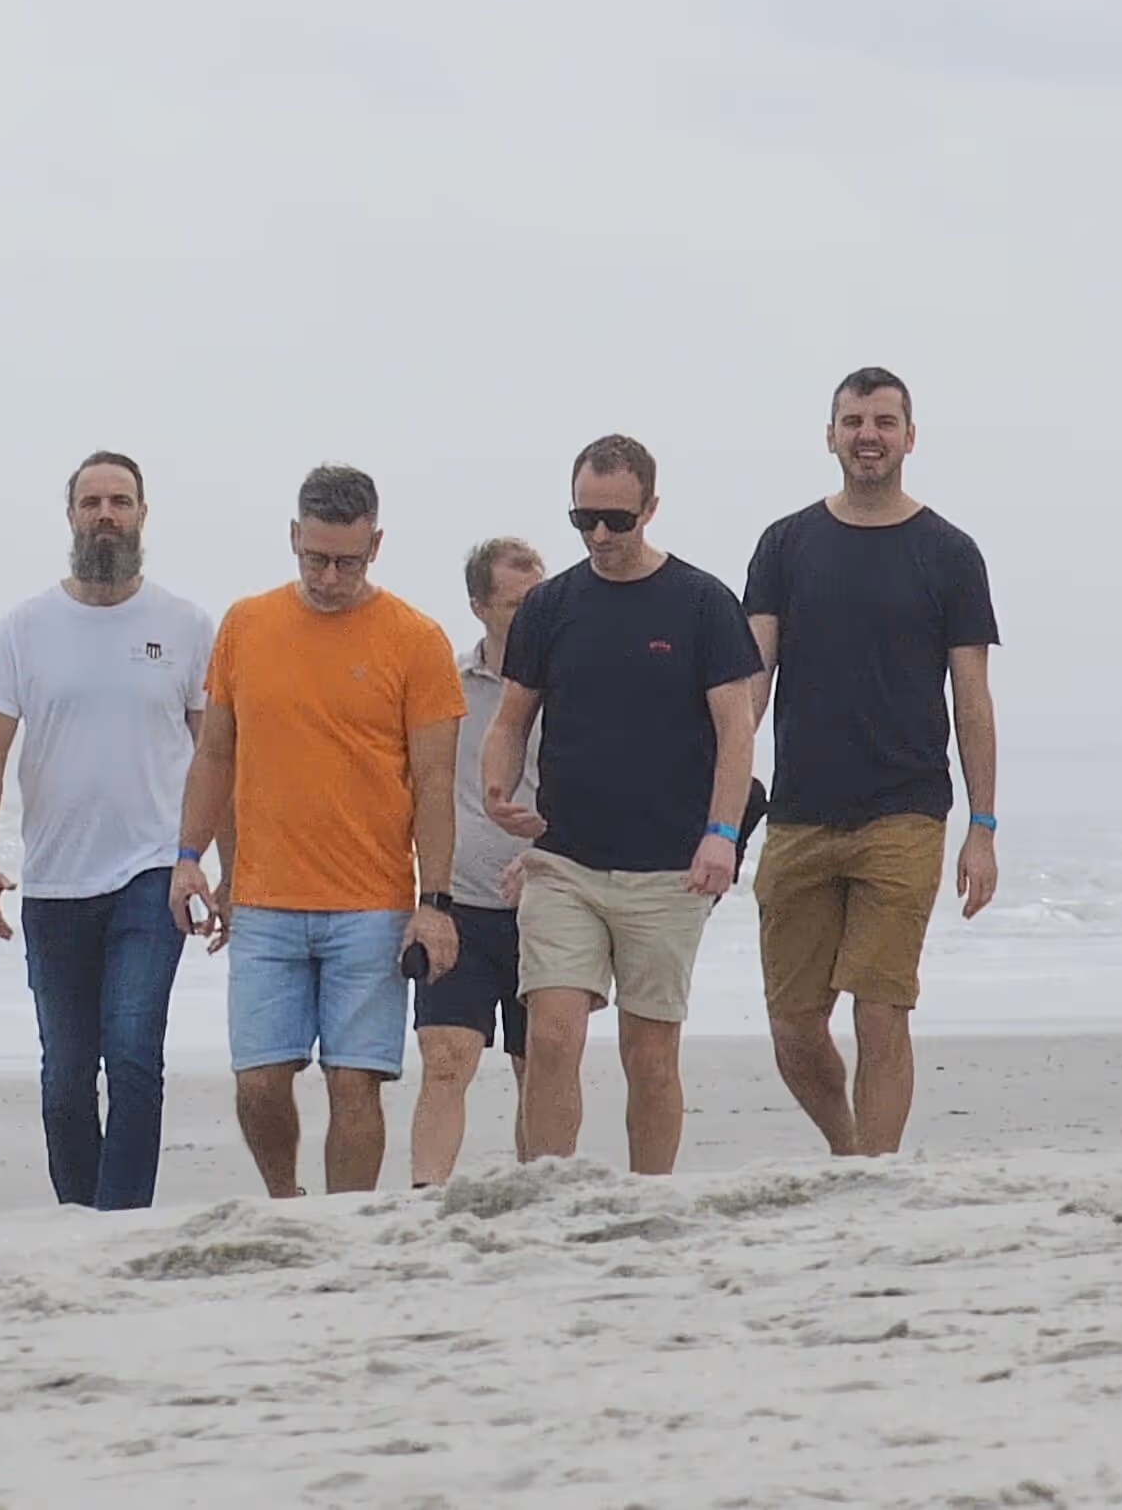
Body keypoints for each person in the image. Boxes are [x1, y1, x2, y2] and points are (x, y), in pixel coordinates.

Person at [173, 464, 461, 1200]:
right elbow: (216, 753)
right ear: (294, 537)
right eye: (316, 559)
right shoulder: (246, 623)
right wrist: (188, 859)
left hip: (372, 902)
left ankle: (348, 1225)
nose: (330, 577)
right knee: (259, 1081)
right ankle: (286, 1203)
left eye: (348, 562)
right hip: (266, 900)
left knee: (354, 1082)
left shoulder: (415, 639)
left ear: (377, 545)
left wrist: (435, 902)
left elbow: (434, 783)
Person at [480, 436, 761, 1174]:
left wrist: (721, 835)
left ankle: (651, 1192)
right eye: (584, 519)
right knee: (550, 1035)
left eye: (616, 519)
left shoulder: (702, 603)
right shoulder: (550, 605)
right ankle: (546, 1186)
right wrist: (496, 792)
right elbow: (510, 721)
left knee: (650, 1052)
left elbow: (737, 732)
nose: (599, 536)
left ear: (650, 509)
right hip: (565, 860)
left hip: (669, 868)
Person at [742, 368, 1002, 1159]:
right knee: (793, 1024)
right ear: (829, 434)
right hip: (798, 813)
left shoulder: (949, 552)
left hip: (906, 810)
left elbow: (973, 699)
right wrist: (711, 801)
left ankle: (875, 1179)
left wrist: (982, 827)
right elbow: (750, 685)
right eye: (854, 420)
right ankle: (850, 1151)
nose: (868, 435)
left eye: (885, 421)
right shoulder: (785, 544)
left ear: (909, 437)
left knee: (880, 1009)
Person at [0, 451, 215, 1211]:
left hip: (152, 873)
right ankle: (79, 1216)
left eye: (122, 502)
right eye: (93, 502)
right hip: (55, 882)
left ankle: (123, 1222)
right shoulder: (26, 628)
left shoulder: (185, 626)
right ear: (70, 515)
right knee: (67, 1073)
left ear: (143, 514)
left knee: (133, 1053)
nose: (107, 514)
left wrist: (211, 859)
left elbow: (217, 756)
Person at [409, 536, 547, 1187]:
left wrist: (547, 857)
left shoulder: (573, 685)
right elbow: (415, 783)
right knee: (445, 1058)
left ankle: (538, 1189)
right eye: (518, 605)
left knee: (539, 1064)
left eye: (541, 601)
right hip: (458, 904)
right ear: (479, 606)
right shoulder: (448, 688)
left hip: (549, 901)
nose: (535, 616)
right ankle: (424, 1197)